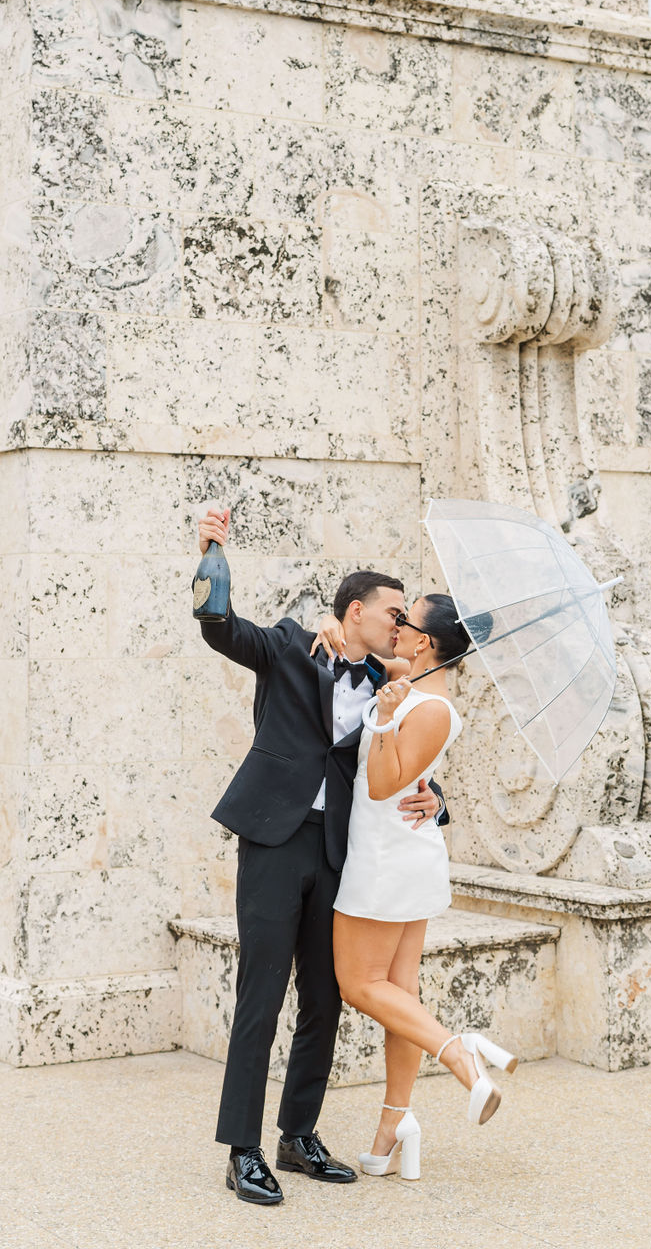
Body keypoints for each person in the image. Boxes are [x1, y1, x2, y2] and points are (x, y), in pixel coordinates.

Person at [195, 506, 443, 1208]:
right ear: (356, 610)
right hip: (273, 840)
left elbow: (405, 759)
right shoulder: (286, 646)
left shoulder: (388, 685)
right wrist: (212, 554)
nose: (402, 626)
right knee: (262, 993)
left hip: (339, 850)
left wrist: (438, 800)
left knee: (326, 998)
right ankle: (242, 1148)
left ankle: (296, 1134)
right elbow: (220, 627)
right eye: (394, 613)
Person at [319, 594, 518, 1182]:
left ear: (425, 639)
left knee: (357, 984)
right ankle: (394, 1123)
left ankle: (460, 1054)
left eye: (405, 621)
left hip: (387, 860)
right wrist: (332, 623)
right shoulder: (412, 678)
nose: (396, 625)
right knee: (399, 994)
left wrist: (380, 718)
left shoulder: (431, 708)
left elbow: (380, 784)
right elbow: (366, 652)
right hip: (403, 852)